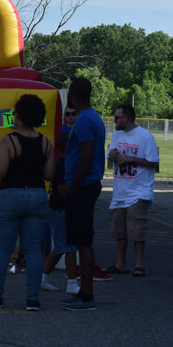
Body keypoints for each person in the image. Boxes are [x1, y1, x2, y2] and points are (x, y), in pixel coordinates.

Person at [0, 94, 55, 311]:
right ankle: (32, 300)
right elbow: (49, 174)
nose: (13, 115)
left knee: (2, 249)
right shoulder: (45, 142)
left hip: (10, 196)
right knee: (34, 250)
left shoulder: (8, 140)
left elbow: (0, 172)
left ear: (22, 115)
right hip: (36, 196)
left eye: (15, 112)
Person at [59, 77, 106, 311]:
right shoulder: (92, 117)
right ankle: (82, 292)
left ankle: (87, 295)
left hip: (83, 186)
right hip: (86, 184)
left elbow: (86, 156)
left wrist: (73, 186)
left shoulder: (85, 120)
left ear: (72, 96)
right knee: (80, 240)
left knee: (83, 242)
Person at [105, 105, 159, 278]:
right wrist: (112, 154)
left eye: (117, 117)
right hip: (120, 191)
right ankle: (121, 264)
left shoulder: (144, 136)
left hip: (138, 191)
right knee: (119, 230)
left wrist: (131, 159)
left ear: (126, 118)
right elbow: (110, 157)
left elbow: (154, 163)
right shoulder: (117, 134)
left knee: (137, 229)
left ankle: (139, 264)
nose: (114, 120)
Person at [40, 131, 79, 295]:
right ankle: (72, 283)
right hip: (61, 209)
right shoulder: (63, 165)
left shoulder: (61, 162)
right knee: (69, 246)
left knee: (61, 246)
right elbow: (63, 190)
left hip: (55, 208)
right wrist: (75, 204)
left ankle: (42, 278)